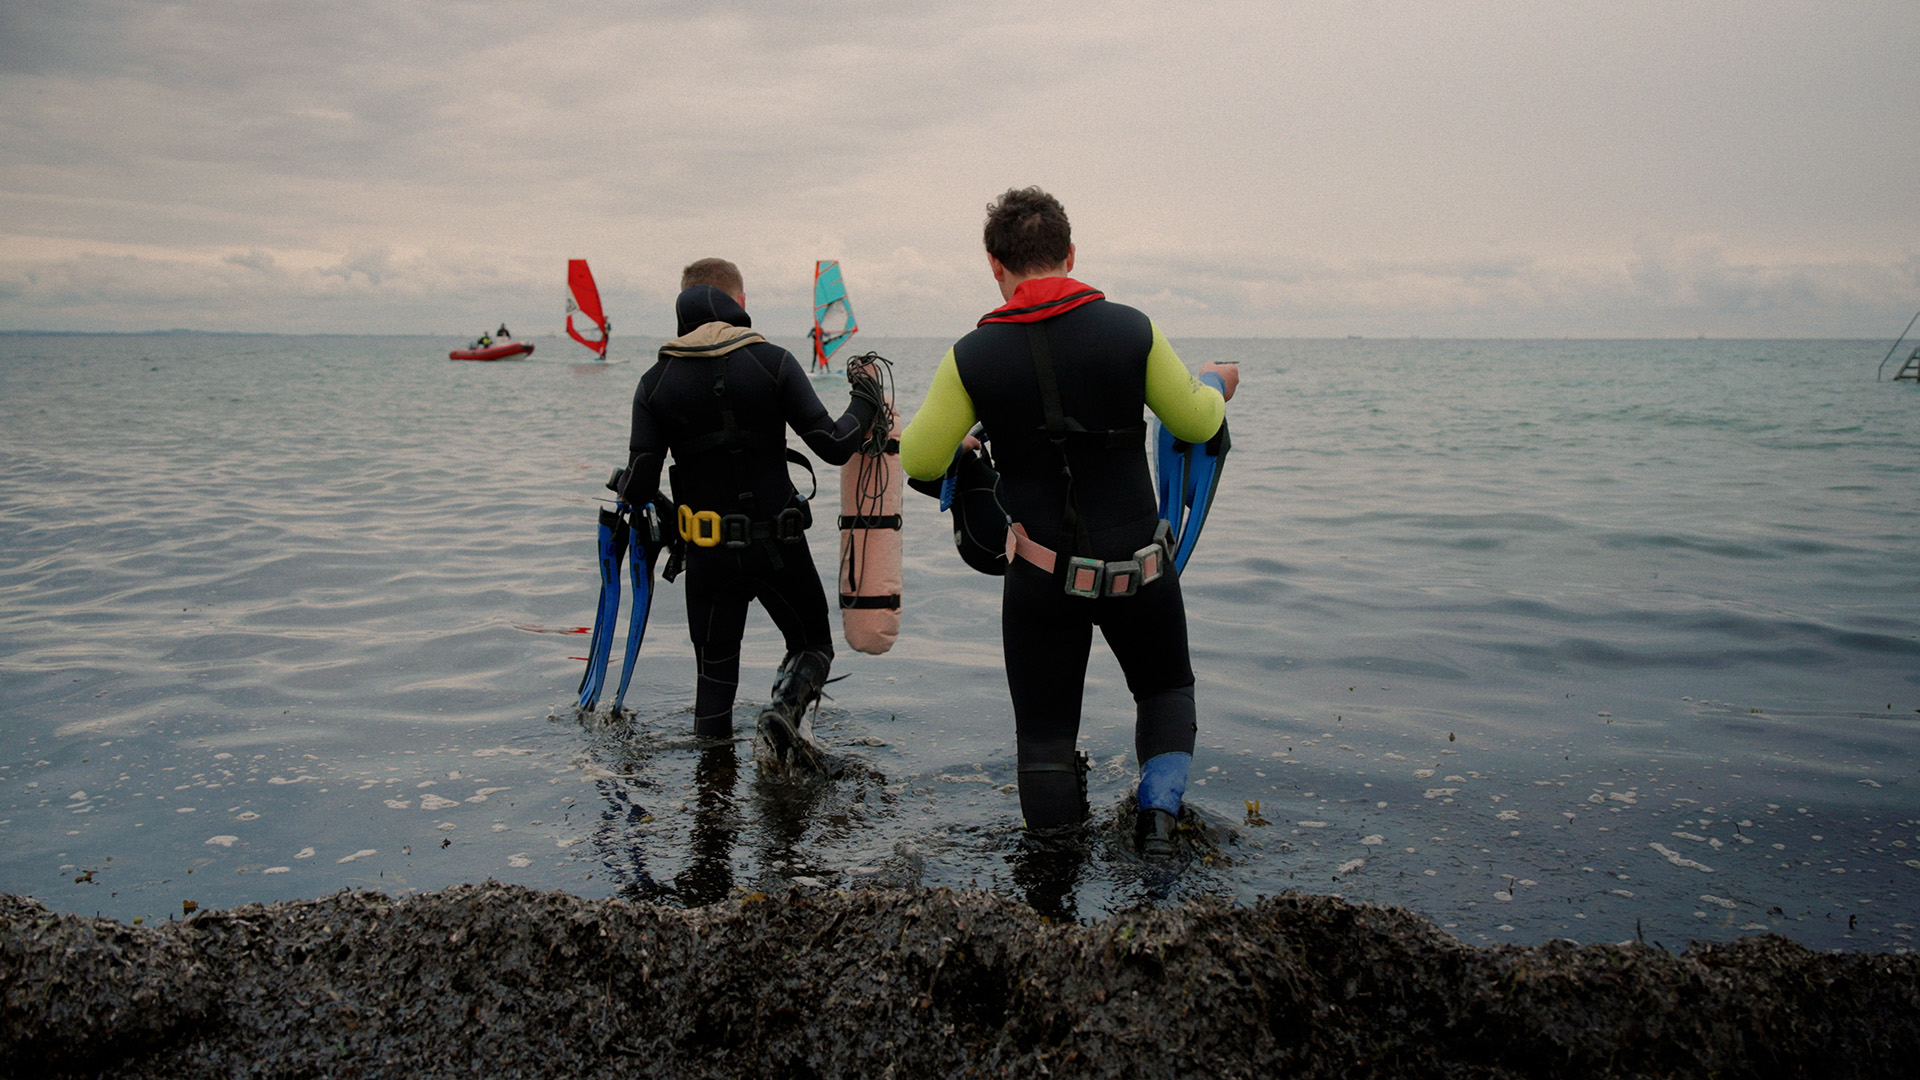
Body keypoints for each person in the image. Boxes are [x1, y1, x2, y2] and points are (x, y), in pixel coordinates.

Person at [898, 187, 1239, 856]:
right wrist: (1218, 381)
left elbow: (919, 457)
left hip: (1040, 578)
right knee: (1164, 688)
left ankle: (1051, 884)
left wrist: (970, 438)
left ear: (994, 265)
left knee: (1046, 736)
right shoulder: (1130, 329)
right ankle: (1158, 826)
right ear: (1071, 253)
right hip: (1141, 567)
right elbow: (1197, 421)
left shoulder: (973, 355)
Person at [617, 258, 885, 760]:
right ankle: (783, 712)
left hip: (707, 560)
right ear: (739, 304)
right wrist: (865, 402)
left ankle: (710, 817)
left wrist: (629, 486)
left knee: (714, 682)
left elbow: (639, 489)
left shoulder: (654, 383)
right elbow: (832, 444)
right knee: (812, 646)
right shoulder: (774, 361)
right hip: (778, 549)